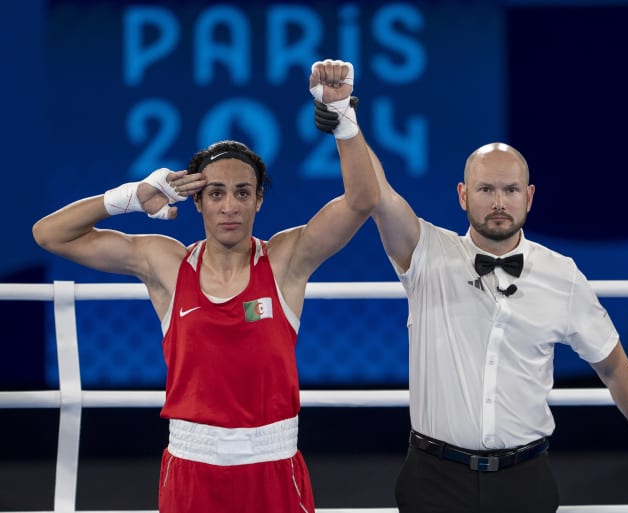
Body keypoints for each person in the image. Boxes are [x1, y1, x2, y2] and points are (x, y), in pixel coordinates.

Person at [31, 59, 378, 513]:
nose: (229, 206)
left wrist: (343, 120)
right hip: (191, 468)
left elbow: (362, 201)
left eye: (241, 192)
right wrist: (130, 198)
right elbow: (49, 234)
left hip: (273, 466)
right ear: (196, 201)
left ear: (258, 199)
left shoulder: (284, 260)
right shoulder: (166, 262)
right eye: (215, 193)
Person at [314, 103, 628, 513]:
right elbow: (379, 196)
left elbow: (616, 368)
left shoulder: (561, 275)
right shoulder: (427, 252)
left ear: (528, 197)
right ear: (463, 195)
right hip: (434, 480)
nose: (499, 202)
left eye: (510, 190)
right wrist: (345, 123)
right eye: (486, 189)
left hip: (524, 480)